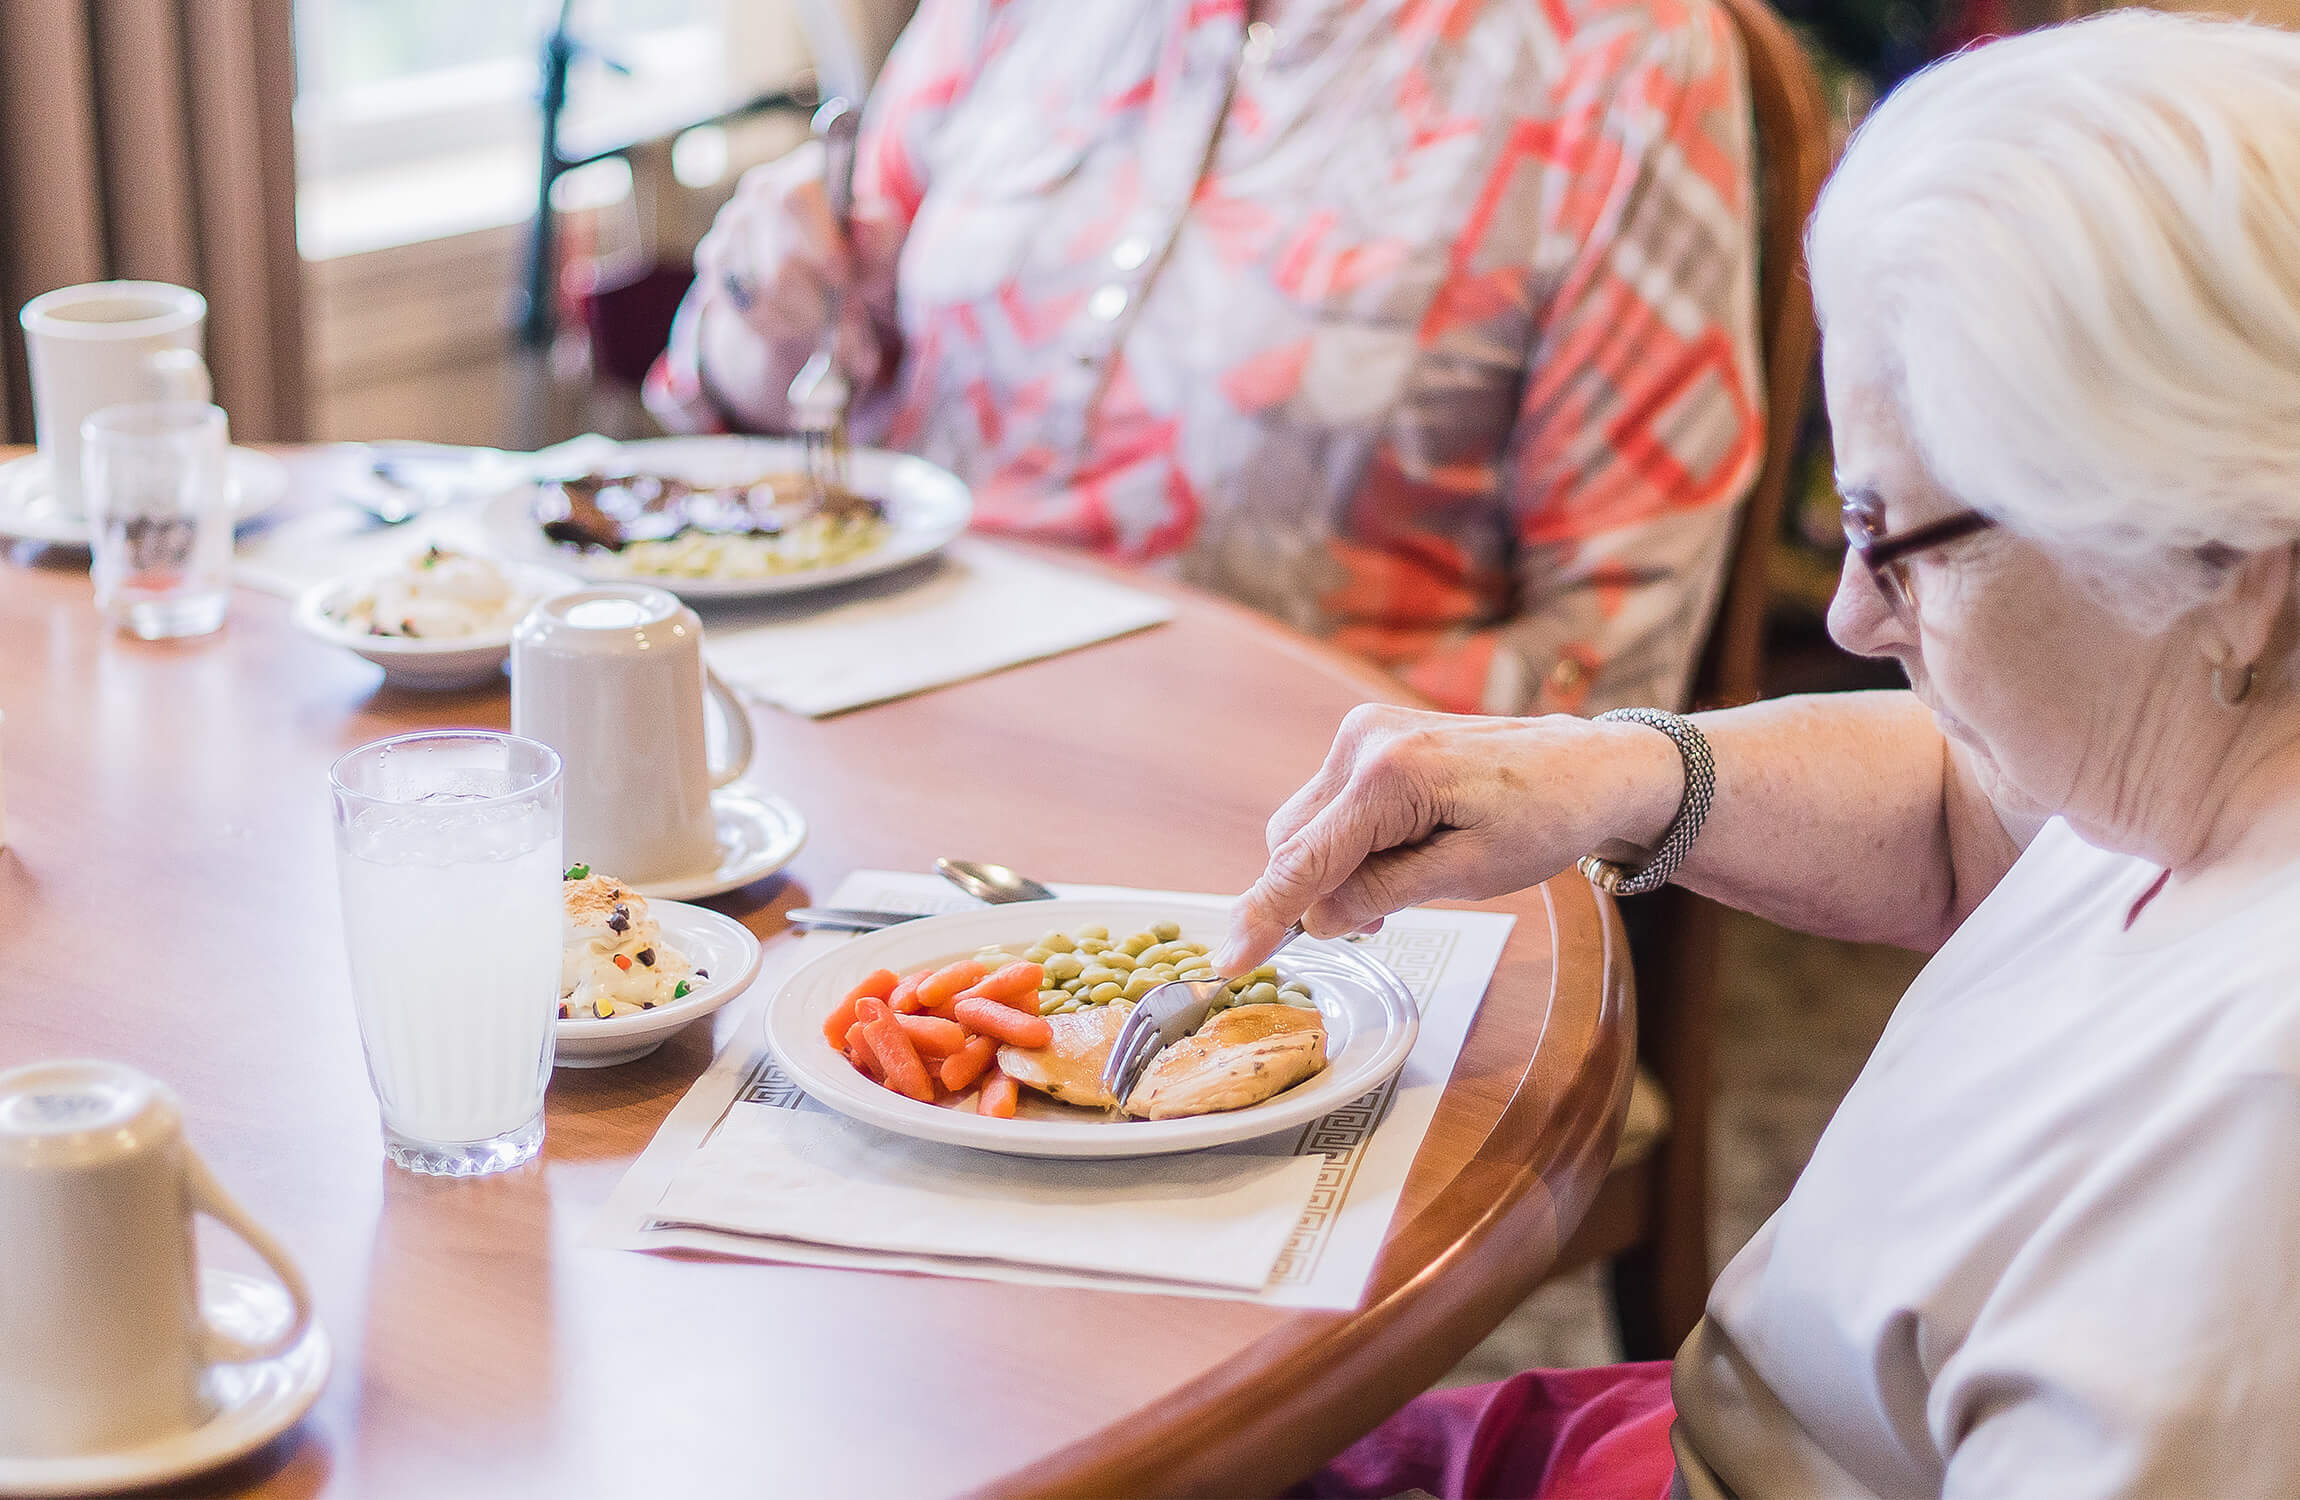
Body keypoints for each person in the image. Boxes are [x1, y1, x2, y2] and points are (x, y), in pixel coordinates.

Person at [1217, 13, 2300, 1497]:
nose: (1854, 618)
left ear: (2227, 558)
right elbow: (1966, 814)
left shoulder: (2254, 1145)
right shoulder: (2200, 739)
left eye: (1892, 540)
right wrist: (1609, 772)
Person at [648, 0, 1763, 717]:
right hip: (872, 717)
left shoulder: (1625, 53)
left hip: (1279, 839)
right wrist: (770, 306)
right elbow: (771, 408)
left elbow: (1614, 658)